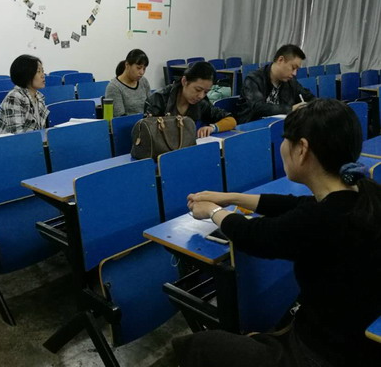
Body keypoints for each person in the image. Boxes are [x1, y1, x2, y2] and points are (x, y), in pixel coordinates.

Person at [180, 98, 381, 367]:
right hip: (355, 342)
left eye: (286, 139)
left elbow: (255, 235)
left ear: (302, 150)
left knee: (195, 347)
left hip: (323, 354)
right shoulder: (363, 194)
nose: (282, 146)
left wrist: (213, 211)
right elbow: (295, 205)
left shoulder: (321, 219)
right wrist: (230, 197)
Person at [144, 61, 236, 137]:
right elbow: (147, 133)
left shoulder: (201, 103)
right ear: (184, 81)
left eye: (206, 92)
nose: (201, 96)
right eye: (197, 89)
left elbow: (231, 120)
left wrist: (213, 128)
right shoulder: (158, 99)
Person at [236, 44, 314, 123]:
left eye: (297, 70)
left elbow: (307, 96)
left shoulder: (290, 81)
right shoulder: (254, 79)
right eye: (293, 68)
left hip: (279, 125)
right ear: (280, 60)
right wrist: (291, 109)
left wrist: (316, 105)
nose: (294, 73)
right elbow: (257, 107)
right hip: (253, 125)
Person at [0, 55, 49, 134]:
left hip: (33, 139)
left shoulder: (39, 96)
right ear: (26, 75)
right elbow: (17, 135)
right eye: (38, 72)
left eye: (42, 71)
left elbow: (40, 129)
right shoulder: (14, 97)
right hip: (10, 141)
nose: (43, 75)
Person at [105, 49, 151, 116]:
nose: (142, 72)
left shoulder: (143, 81)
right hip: (129, 122)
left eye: (144, 69)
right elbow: (120, 117)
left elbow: (151, 106)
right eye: (138, 68)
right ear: (127, 65)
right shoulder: (114, 87)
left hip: (145, 121)